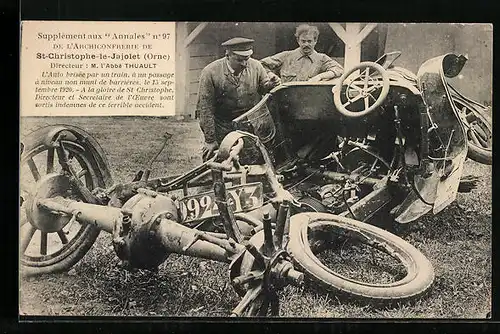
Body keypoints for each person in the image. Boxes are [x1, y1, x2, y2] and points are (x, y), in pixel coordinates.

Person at [196, 37, 281, 161]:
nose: (245, 64)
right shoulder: (210, 72)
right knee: (221, 165)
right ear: (228, 55)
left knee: (253, 165)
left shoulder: (256, 66)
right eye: (240, 60)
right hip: (222, 126)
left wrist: (271, 84)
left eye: (247, 59)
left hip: (249, 125)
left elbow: (264, 88)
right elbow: (205, 108)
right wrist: (210, 140)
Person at [261, 24, 343, 83]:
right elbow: (261, 64)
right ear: (298, 41)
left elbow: (339, 69)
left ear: (315, 41)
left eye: (309, 41)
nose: (306, 44)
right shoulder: (286, 56)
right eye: (303, 41)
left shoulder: (321, 59)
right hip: (286, 101)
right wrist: (271, 75)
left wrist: (319, 77)